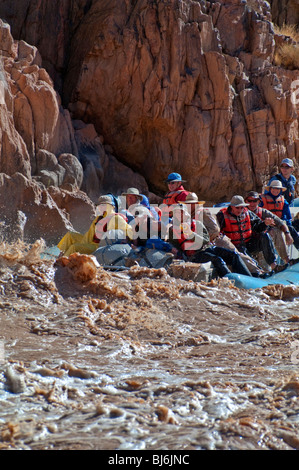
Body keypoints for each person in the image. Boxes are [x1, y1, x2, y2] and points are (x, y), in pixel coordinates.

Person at [183, 192, 263, 275]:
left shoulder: (203, 212)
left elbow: (215, 230)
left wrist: (204, 239)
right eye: (188, 204)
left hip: (218, 240)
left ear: (196, 204)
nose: (189, 206)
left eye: (192, 204)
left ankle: (257, 272)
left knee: (238, 256)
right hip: (209, 243)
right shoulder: (190, 215)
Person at [167, 204, 253, 278]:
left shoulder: (197, 224)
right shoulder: (173, 230)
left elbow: (205, 240)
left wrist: (191, 234)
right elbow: (174, 246)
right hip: (195, 255)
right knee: (218, 260)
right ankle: (230, 280)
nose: (179, 215)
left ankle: (248, 278)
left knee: (234, 255)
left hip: (208, 248)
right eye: (177, 214)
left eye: (181, 213)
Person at [216, 195, 279, 273]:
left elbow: (258, 228)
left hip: (249, 244)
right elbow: (216, 232)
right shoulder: (222, 215)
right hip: (234, 247)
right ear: (231, 207)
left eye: (241, 207)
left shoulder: (248, 213)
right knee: (242, 250)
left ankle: (274, 265)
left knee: (265, 235)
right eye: (237, 207)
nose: (240, 210)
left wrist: (265, 224)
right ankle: (258, 271)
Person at [57, 195, 132, 256]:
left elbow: (129, 231)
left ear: (110, 206)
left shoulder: (116, 218)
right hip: (88, 241)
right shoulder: (100, 217)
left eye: (103, 205)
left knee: (74, 247)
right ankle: (60, 254)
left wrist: (129, 240)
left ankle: (62, 262)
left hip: (97, 246)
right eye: (100, 205)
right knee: (70, 235)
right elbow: (90, 234)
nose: (100, 207)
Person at [245, 190, 293, 266]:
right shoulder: (242, 212)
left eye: (255, 201)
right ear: (245, 201)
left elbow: (280, 222)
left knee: (276, 231)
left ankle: (286, 260)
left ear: (258, 202)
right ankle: (269, 266)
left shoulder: (263, 212)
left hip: (261, 241)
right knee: (264, 236)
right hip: (247, 243)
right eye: (249, 201)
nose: (252, 203)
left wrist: (287, 234)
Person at [260, 180, 299, 251]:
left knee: (291, 229)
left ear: (281, 190)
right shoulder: (262, 199)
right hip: (266, 224)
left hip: (279, 224)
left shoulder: (283, 201)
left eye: (278, 188)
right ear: (270, 189)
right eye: (273, 188)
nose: (275, 190)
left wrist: (287, 226)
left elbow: (287, 216)